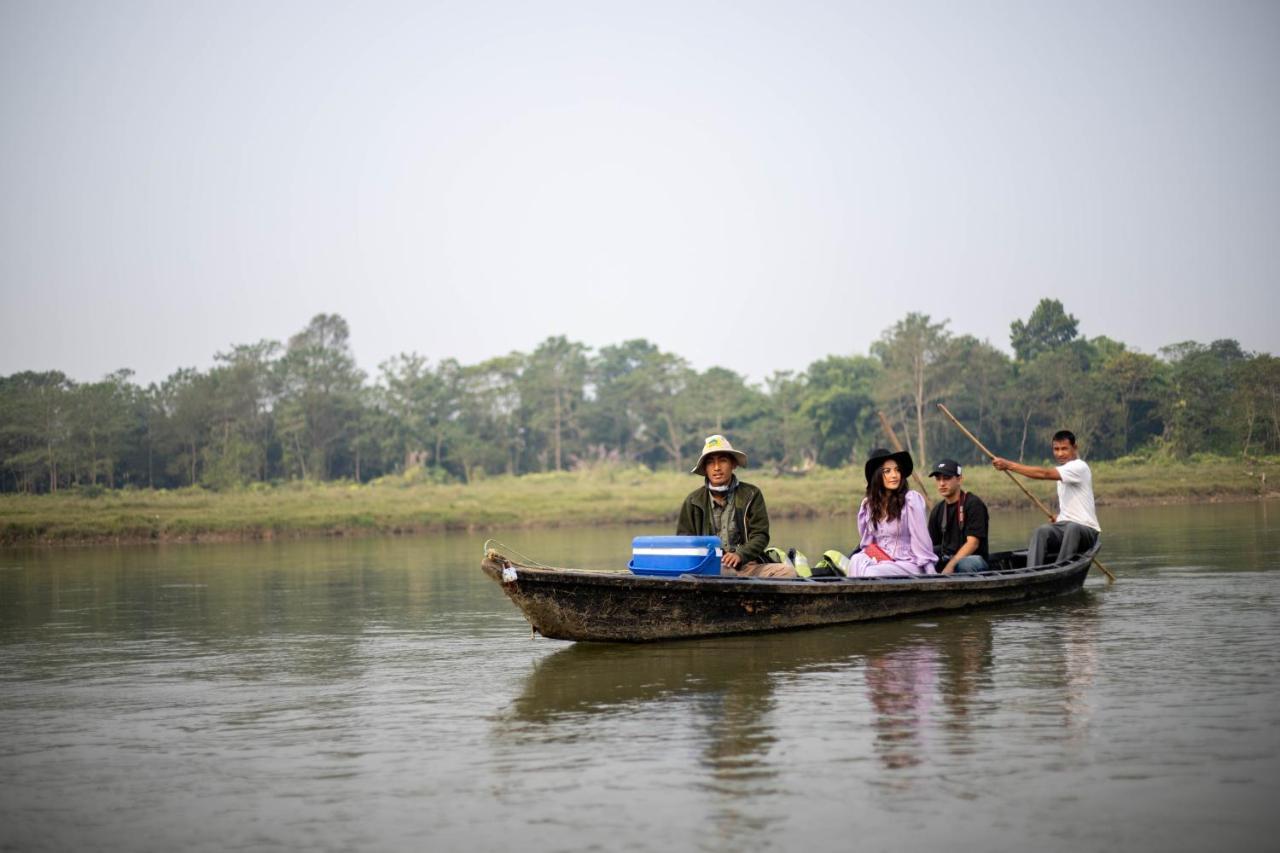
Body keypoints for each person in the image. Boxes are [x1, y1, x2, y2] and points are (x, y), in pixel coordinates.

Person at [677, 435, 797, 578]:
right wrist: (716, 557)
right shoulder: (693, 501)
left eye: (723, 460)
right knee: (724, 572)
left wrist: (740, 554)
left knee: (787, 572)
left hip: (748, 566)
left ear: (733, 464)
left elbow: (760, 536)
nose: (716, 468)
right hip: (710, 568)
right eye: (710, 463)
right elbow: (684, 541)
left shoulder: (751, 494)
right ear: (705, 468)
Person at [992, 430, 1100, 566]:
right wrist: (1060, 518)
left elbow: (1045, 473)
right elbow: (1072, 506)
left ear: (1075, 448)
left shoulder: (1079, 467)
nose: (1060, 453)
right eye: (1056, 449)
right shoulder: (1063, 471)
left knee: (1073, 528)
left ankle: (1060, 569)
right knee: (1042, 531)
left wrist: (1009, 465)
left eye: (1064, 449)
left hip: (1087, 531)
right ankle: (1031, 572)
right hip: (1065, 526)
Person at [846, 448, 938, 578]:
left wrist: (930, 570)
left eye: (897, 470)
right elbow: (867, 544)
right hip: (880, 561)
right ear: (877, 475)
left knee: (872, 573)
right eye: (887, 471)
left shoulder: (910, 500)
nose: (894, 475)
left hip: (907, 564)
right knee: (855, 560)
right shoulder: (869, 505)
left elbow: (921, 540)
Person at [926, 458, 990, 574]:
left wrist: (950, 566)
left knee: (965, 564)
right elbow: (930, 544)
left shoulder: (973, 504)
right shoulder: (938, 510)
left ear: (959, 479)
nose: (942, 483)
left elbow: (973, 543)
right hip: (947, 558)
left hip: (974, 561)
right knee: (925, 558)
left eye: (947, 478)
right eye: (938, 479)